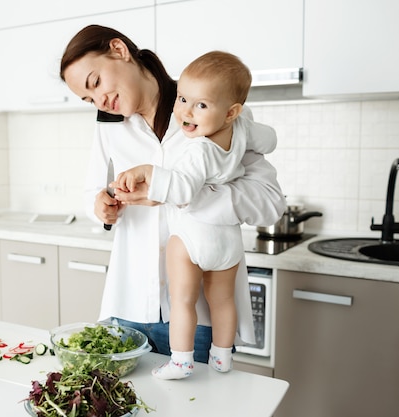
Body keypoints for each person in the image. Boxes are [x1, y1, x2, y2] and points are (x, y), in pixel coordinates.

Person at [59, 25, 286, 364]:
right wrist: (102, 207)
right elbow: (94, 190)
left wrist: (175, 193)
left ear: (119, 50)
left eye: (95, 83)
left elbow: (270, 203)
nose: (99, 100)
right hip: (130, 306)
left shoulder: (210, 102)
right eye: (88, 98)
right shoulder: (107, 124)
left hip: (202, 315)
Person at [112, 51, 278, 379]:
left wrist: (151, 173)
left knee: (183, 301)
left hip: (191, 239)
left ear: (230, 111)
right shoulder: (241, 129)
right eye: (183, 99)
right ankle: (222, 357)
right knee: (222, 301)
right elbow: (270, 139)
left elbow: (183, 190)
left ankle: (181, 361)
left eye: (200, 105)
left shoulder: (199, 148)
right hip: (227, 241)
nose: (186, 111)